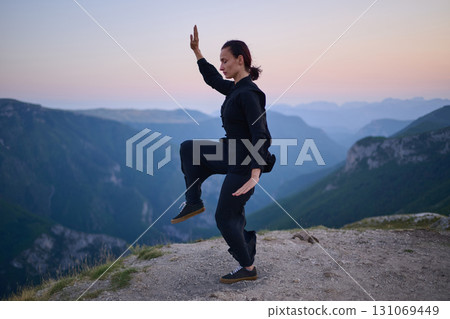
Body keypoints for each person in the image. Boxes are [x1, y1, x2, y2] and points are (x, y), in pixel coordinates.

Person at [171, 25, 275, 284]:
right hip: (230, 153)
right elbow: (214, 80)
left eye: (225, 60)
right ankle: (193, 201)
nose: (221, 66)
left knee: (225, 217)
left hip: (244, 164)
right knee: (188, 148)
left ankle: (248, 267)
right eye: (220, 61)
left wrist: (255, 173)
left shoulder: (250, 94)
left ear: (241, 60)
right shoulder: (235, 88)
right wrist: (198, 53)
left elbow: (261, 134)